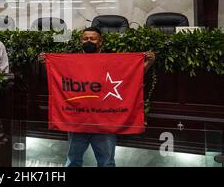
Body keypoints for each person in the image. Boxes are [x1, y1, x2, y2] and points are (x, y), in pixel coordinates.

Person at [40, 27, 155, 167]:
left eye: (92, 38)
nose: (88, 41)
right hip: (78, 123)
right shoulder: (70, 63)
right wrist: (46, 63)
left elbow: (132, 76)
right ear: (80, 41)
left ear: (100, 42)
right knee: (72, 162)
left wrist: (148, 63)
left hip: (104, 125)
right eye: (85, 38)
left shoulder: (111, 62)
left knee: (106, 163)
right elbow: (57, 77)